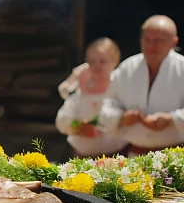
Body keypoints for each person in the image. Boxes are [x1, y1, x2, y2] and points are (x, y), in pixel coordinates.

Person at [100, 15, 184, 157]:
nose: (151, 46)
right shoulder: (127, 67)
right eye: (147, 40)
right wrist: (121, 117)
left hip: (177, 157)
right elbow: (106, 106)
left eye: (158, 41)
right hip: (135, 155)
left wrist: (172, 119)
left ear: (173, 42)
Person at [55, 38, 128, 157]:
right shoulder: (81, 92)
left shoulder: (123, 89)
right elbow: (62, 119)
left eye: (102, 61)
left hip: (117, 157)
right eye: (92, 61)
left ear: (115, 61)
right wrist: (78, 127)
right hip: (83, 158)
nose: (96, 65)